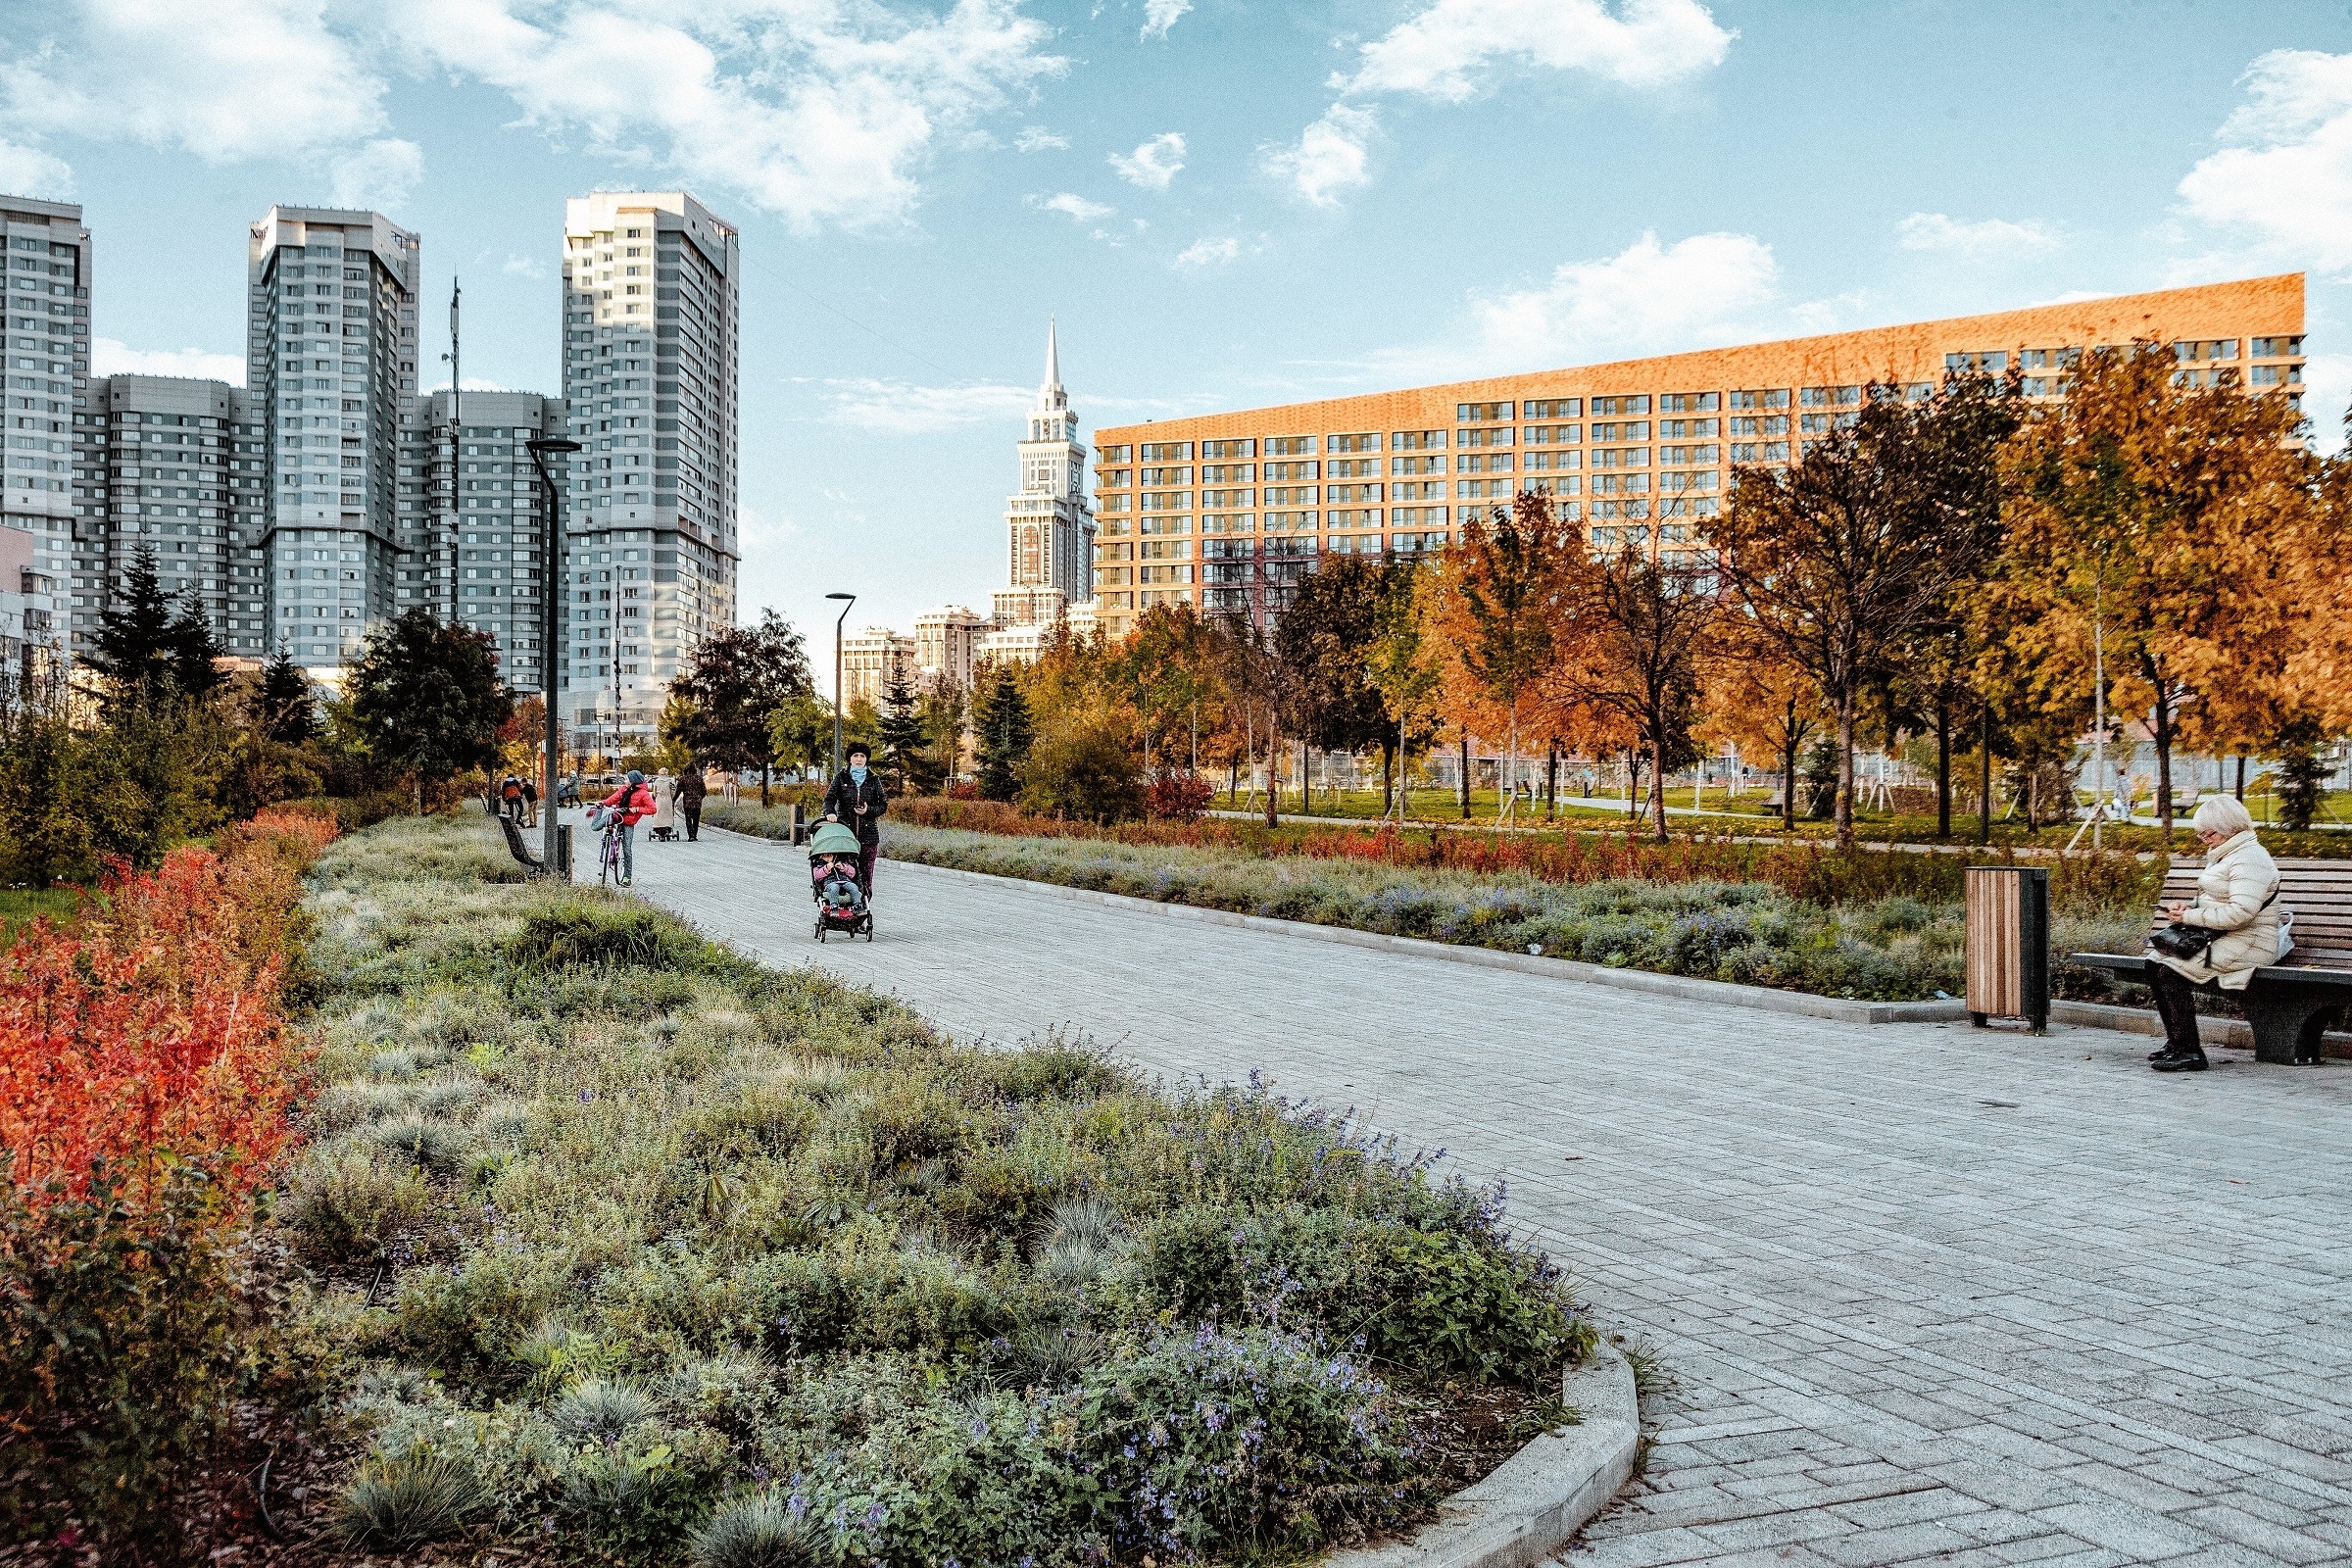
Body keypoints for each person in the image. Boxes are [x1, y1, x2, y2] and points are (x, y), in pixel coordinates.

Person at [2145, 794, 2282, 1073]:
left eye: (2209, 832)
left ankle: (2190, 1052)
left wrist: (2190, 916)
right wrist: (2187, 907)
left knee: (2171, 970)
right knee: (2153, 962)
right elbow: (2217, 900)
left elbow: (2241, 912)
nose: (2204, 838)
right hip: (2228, 937)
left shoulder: (2250, 858)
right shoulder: (2228, 853)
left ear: (2231, 827)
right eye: (2200, 834)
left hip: (2251, 942)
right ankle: (2177, 1043)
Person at [821, 742, 888, 893]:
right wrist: (830, 812)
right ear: (850, 759)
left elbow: (883, 804)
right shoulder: (841, 778)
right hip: (846, 834)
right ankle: (846, 906)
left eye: (862, 756)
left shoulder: (874, 779)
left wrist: (868, 810)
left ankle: (864, 905)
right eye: (855, 756)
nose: (859, 759)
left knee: (866, 876)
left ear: (867, 759)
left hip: (869, 836)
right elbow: (829, 799)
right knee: (846, 871)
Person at [593, 768, 659, 886]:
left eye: (627, 779)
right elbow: (612, 799)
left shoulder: (643, 794)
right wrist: (602, 803)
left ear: (633, 781)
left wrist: (638, 809)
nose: (625, 780)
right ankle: (597, 813)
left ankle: (627, 877)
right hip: (617, 816)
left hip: (629, 823)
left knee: (627, 850)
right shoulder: (623, 789)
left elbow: (653, 809)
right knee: (595, 827)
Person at [678, 764, 708, 842]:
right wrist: (700, 797)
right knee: (696, 819)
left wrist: (674, 799)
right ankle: (694, 835)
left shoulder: (683, 779)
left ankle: (691, 836)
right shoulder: (699, 779)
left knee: (688, 820)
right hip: (697, 803)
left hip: (687, 803)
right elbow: (704, 791)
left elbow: (678, 791)